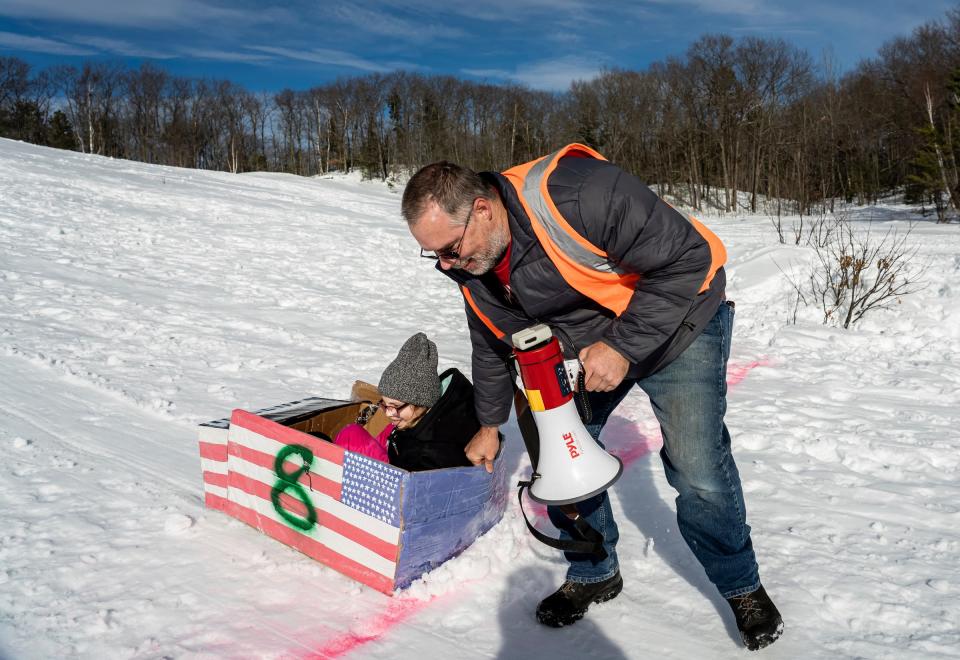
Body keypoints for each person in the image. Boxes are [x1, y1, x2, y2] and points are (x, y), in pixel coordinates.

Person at [400, 144, 783, 651]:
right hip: (597, 344)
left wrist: (622, 346)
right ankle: (595, 569)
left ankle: (742, 586)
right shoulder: (473, 263)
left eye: (450, 248)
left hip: (682, 318)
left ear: (483, 209)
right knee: (557, 453)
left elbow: (688, 258)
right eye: (436, 255)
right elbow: (494, 340)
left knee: (697, 467)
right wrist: (489, 424)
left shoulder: (580, 194)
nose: (447, 264)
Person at [334, 332, 479, 472]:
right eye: (384, 405)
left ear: (421, 401)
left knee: (351, 435)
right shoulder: (425, 412)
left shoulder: (434, 452)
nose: (389, 413)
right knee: (389, 428)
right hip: (405, 448)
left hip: (400, 479)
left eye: (396, 406)